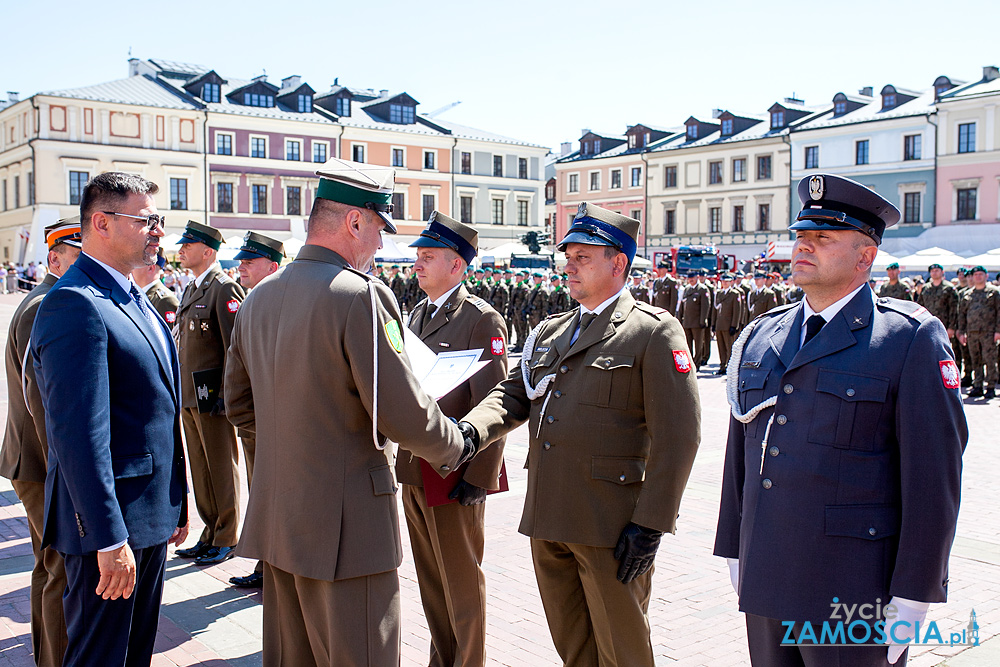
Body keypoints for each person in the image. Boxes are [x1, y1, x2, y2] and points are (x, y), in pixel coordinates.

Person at [223, 157, 479, 667]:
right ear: (355, 221)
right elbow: (402, 412)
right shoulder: (360, 296)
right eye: (379, 230)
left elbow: (238, 405)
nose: (381, 245)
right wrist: (459, 443)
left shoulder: (258, 297)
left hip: (280, 519)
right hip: (348, 526)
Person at [714, 173, 967, 667]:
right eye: (801, 237)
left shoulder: (908, 339)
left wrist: (916, 591)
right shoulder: (764, 335)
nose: (803, 247)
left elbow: (934, 478)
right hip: (768, 568)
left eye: (822, 238)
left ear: (865, 256)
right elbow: (741, 452)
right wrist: (734, 545)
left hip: (853, 584)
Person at [460, 202, 701, 667]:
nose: (568, 265)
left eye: (581, 257)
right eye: (567, 256)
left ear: (618, 263)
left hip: (610, 524)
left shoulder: (651, 332)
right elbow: (513, 395)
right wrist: (468, 432)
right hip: (549, 515)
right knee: (573, 647)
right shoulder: (553, 331)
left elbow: (680, 436)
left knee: (623, 650)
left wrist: (651, 523)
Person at [30, 172, 189, 666]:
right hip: (110, 528)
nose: (158, 231)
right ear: (101, 222)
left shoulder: (129, 296)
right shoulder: (75, 303)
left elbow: (158, 411)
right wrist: (108, 537)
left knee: (133, 654)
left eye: (158, 219)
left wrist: (176, 500)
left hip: (147, 517)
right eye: (146, 220)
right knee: (101, 657)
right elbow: (79, 436)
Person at [399, 211, 508, 667]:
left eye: (428, 257)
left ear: (457, 265)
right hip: (414, 468)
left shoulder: (481, 320)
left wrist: (480, 476)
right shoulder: (416, 313)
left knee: (461, 585)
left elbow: (497, 402)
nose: (417, 265)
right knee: (430, 581)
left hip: (455, 470)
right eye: (418, 257)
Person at [1, 218, 82, 667]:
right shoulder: (46, 305)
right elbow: (44, 404)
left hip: (34, 463)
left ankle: (45, 654)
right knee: (60, 571)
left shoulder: (47, 299)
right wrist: (67, 475)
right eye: (78, 254)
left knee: (47, 568)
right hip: (41, 464)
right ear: (54, 259)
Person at [173, 221, 246, 565]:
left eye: (189, 245)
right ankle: (210, 530)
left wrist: (226, 394)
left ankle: (228, 535)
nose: (182, 249)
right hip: (190, 393)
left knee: (220, 466)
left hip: (212, 395)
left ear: (209, 251)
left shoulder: (223, 288)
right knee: (200, 467)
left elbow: (235, 347)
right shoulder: (191, 289)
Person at [227, 231, 285, 589]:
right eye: (242, 260)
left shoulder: (283, 305)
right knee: (260, 497)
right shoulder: (252, 304)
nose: (242, 266)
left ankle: (273, 567)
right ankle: (267, 565)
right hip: (257, 426)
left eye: (250, 261)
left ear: (273, 266)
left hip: (273, 429)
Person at [957, 265, 1000, 399]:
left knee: (989, 359)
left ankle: (991, 386)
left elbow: (999, 312)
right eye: (976, 275)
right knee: (975, 359)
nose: (978, 277)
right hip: (972, 332)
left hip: (988, 332)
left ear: (986, 276)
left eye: (981, 274)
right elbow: (962, 314)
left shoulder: (993, 292)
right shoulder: (967, 294)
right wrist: (961, 332)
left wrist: (998, 330)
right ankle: (978, 385)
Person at [131, 249, 178, 325]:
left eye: (136, 265)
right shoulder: (140, 294)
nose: (132, 269)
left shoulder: (165, 300)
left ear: (150, 268)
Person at [677, 271, 710, 370]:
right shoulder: (687, 289)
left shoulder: (702, 289)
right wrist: (680, 318)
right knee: (687, 343)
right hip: (687, 321)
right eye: (689, 278)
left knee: (698, 344)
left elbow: (705, 306)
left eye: (693, 278)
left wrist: (703, 320)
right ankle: (689, 362)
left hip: (697, 321)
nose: (691, 280)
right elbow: (682, 305)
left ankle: (697, 362)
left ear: (697, 278)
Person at [713, 272, 743, 376]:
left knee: (729, 347)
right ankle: (722, 366)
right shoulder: (719, 293)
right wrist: (713, 324)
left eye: (727, 281)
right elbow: (715, 310)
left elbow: (737, 310)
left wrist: (734, 325)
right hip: (719, 324)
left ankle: (730, 367)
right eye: (723, 281)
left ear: (731, 282)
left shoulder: (734, 294)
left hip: (728, 324)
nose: (724, 283)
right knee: (721, 347)